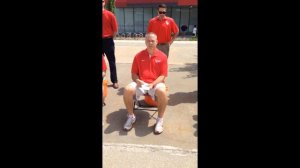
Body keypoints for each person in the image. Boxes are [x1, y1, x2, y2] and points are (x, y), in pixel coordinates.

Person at [123, 32, 168, 134]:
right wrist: (137, 80)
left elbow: (163, 75)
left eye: (152, 41)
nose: (150, 43)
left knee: (162, 92)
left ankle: (160, 120)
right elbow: (134, 74)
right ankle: (131, 116)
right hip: (142, 83)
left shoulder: (163, 56)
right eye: (148, 41)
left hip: (155, 83)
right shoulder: (138, 56)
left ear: (157, 42)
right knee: (127, 90)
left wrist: (153, 84)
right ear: (145, 42)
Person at [102, 0, 119, 89]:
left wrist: (110, 38)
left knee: (111, 61)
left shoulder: (110, 15)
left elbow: (115, 29)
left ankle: (114, 81)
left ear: (104, 3)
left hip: (108, 40)